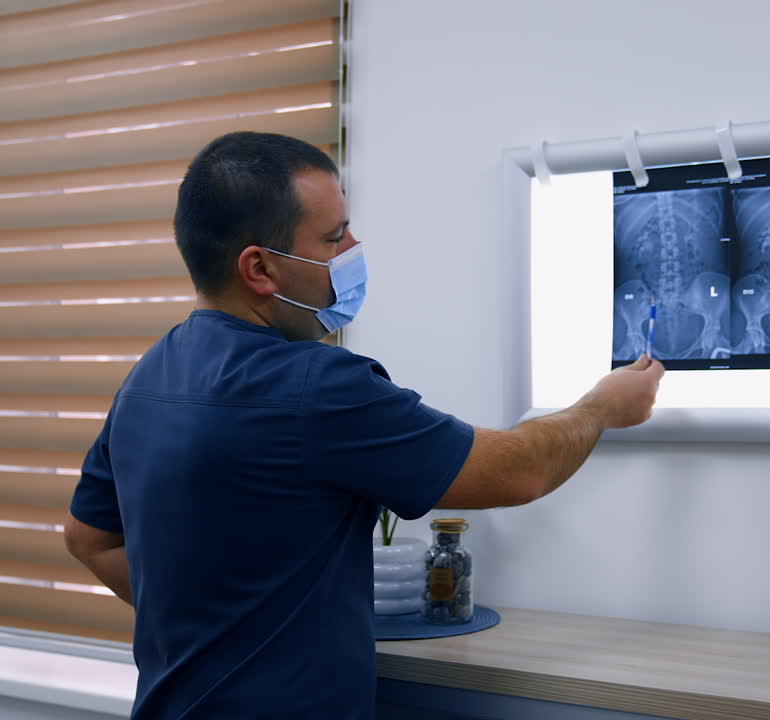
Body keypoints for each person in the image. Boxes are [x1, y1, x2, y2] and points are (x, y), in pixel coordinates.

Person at [63, 131, 664, 719]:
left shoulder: (147, 378)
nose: (353, 247)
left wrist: (217, 622)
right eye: (333, 238)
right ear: (260, 269)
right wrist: (603, 406)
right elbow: (521, 472)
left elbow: (88, 538)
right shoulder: (313, 387)